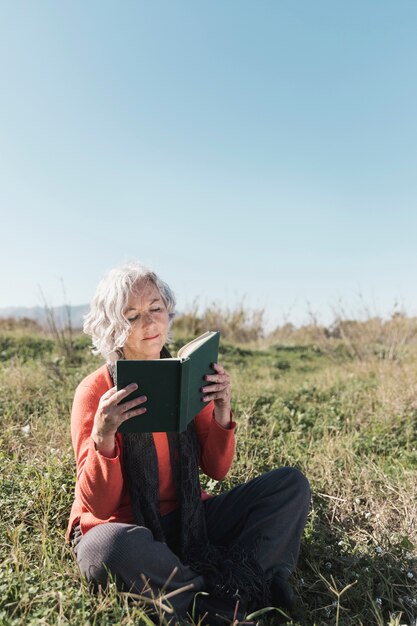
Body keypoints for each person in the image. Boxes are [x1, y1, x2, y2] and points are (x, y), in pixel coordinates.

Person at [66, 262, 310, 624]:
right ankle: (210, 600)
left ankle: (249, 579)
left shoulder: (186, 375)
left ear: (169, 311)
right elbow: (99, 507)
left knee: (289, 486)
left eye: (155, 309)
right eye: (131, 316)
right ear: (113, 327)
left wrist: (222, 414)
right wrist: (104, 436)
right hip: (126, 527)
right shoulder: (95, 391)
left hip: (189, 516)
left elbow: (217, 470)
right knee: (107, 549)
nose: (149, 323)